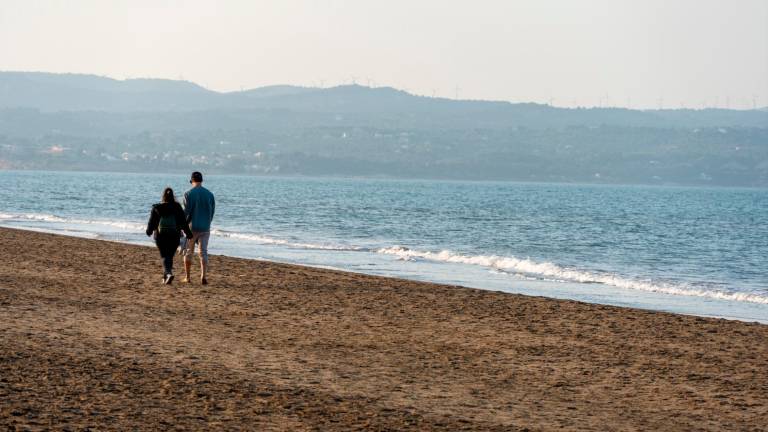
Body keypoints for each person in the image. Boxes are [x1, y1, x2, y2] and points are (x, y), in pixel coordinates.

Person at [146, 187, 193, 285]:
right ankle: (166, 277)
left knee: (164, 256)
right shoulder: (177, 207)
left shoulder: (157, 208)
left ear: (163, 196)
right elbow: (183, 222)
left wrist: (149, 231)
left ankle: (168, 273)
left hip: (161, 236)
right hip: (174, 236)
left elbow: (152, 222)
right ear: (173, 196)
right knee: (169, 256)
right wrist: (188, 234)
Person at [182, 171, 215, 284]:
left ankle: (188, 277)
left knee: (188, 252)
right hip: (205, 227)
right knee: (203, 252)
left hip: (192, 227)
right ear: (201, 181)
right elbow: (212, 212)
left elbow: (185, 213)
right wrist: (207, 223)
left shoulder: (188, 194)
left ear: (192, 181)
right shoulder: (210, 194)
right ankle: (203, 276)